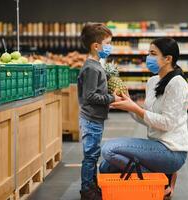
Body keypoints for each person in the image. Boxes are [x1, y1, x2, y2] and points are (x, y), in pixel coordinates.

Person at [99, 38, 188, 199]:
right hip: (155, 145)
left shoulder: (177, 84)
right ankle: (158, 174)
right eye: (148, 53)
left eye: (153, 53)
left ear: (168, 59)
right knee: (106, 167)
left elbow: (167, 123)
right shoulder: (153, 81)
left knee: (109, 149)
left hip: (171, 150)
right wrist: (129, 104)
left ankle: (162, 179)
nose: (148, 57)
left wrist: (135, 108)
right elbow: (147, 118)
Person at [78, 23, 121, 200]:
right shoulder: (91, 68)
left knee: (93, 153)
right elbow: (90, 96)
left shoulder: (96, 65)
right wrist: (112, 98)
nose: (110, 46)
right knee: (90, 156)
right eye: (108, 43)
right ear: (96, 46)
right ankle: (87, 190)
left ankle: (92, 186)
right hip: (91, 119)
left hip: (95, 118)